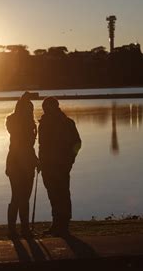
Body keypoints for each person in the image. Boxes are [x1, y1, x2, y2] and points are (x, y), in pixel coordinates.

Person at [38, 97, 81, 236]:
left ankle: (63, 225)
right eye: (44, 107)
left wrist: (69, 160)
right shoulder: (43, 123)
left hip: (61, 166)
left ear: (54, 107)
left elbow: (77, 142)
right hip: (47, 166)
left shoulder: (67, 123)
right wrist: (40, 162)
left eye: (47, 107)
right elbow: (42, 146)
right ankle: (57, 224)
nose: (45, 110)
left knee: (62, 194)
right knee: (53, 195)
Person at [5, 92, 38, 238]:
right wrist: (23, 100)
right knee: (17, 197)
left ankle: (24, 230)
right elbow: (20, 141)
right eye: (28, 109)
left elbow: (29, 147)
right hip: (16, 163)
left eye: (31, 109)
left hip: (27, 162)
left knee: (24, 197)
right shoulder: (13, 121)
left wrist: (36, 160)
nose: (30, 111)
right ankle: (13, 230)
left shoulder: (29, 123)